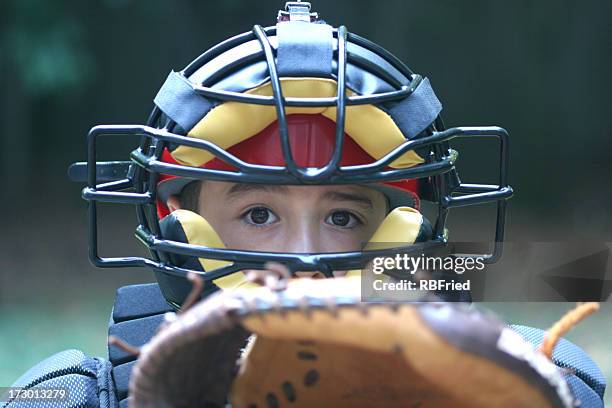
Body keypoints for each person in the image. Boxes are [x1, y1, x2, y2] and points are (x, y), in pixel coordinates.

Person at [3, 2, 605, 407]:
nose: (302, 258)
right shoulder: (77, 396)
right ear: (184, 231)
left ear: (400, 239)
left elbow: (581, 271)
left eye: (342, 216)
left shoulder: (516, 381)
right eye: (259, 214)